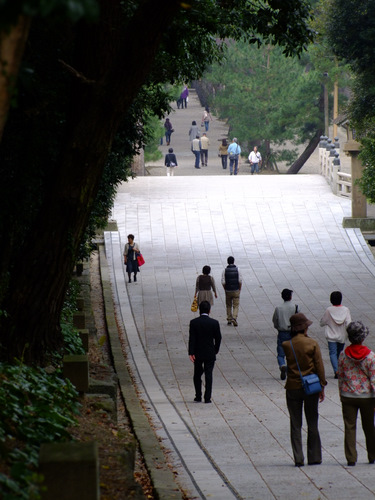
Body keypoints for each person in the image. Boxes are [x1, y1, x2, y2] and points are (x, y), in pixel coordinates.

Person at [282, 313, 327, 467]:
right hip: (311, 386)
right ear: (304, 328)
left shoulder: (287, 345)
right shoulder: (312, 343)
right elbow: (319, 366)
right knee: (312, 422)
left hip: (293, 386)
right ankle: (314, 456)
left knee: (295, 423)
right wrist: (322, 385)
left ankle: (298, 457)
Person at [337, 321, 375, 466]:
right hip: (367, 396)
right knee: (369, 426)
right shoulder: (371, 356)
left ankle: (351, 457)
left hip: (348, 395)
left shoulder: (343, 355)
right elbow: (374, 379)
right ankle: (372, 455)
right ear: (363, 337)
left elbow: (341, 375)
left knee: (349, 426)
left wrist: (341, 392)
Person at [188, 300, 222, 403]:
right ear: (209, 310)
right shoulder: (214, 323)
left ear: (199, 310)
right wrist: (215, 349)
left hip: (198, 352)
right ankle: (207, 397)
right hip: (209, 352)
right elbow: (218, 338)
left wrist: (191, 352)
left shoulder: (194, 323)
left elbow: (192, 338)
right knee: (209, 374)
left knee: (197, 374)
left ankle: (198, 395)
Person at [320, 291, 351, 379]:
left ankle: (336, 370)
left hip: (331, 336)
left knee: (332, 353)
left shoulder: (329, 310)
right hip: (342, 335)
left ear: (331, 300)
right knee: (340, 353)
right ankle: (340, 369)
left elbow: (323, 322)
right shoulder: (345, 310)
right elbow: (349, 322)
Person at [272, 289, 298, 380]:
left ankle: (282, 365)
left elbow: (275, 320)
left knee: (281, 353)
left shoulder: (278, 308)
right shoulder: (295, 307)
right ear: (291, 297)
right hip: (293, 332)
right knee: (292, 352)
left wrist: (277, 327)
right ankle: (292, 369)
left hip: (282, 332)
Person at [221, 256, 242, 327]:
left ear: (227, 262)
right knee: (236, 305)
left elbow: (223, 281)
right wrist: (239, 288)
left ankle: (229, 319)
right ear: (234, 261)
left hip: (228, 290)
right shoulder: (238, 269)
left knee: (228, 305)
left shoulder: (225, 270)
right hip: (236, 289)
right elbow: (240, 280)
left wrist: (225, 288)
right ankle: (234, 317)